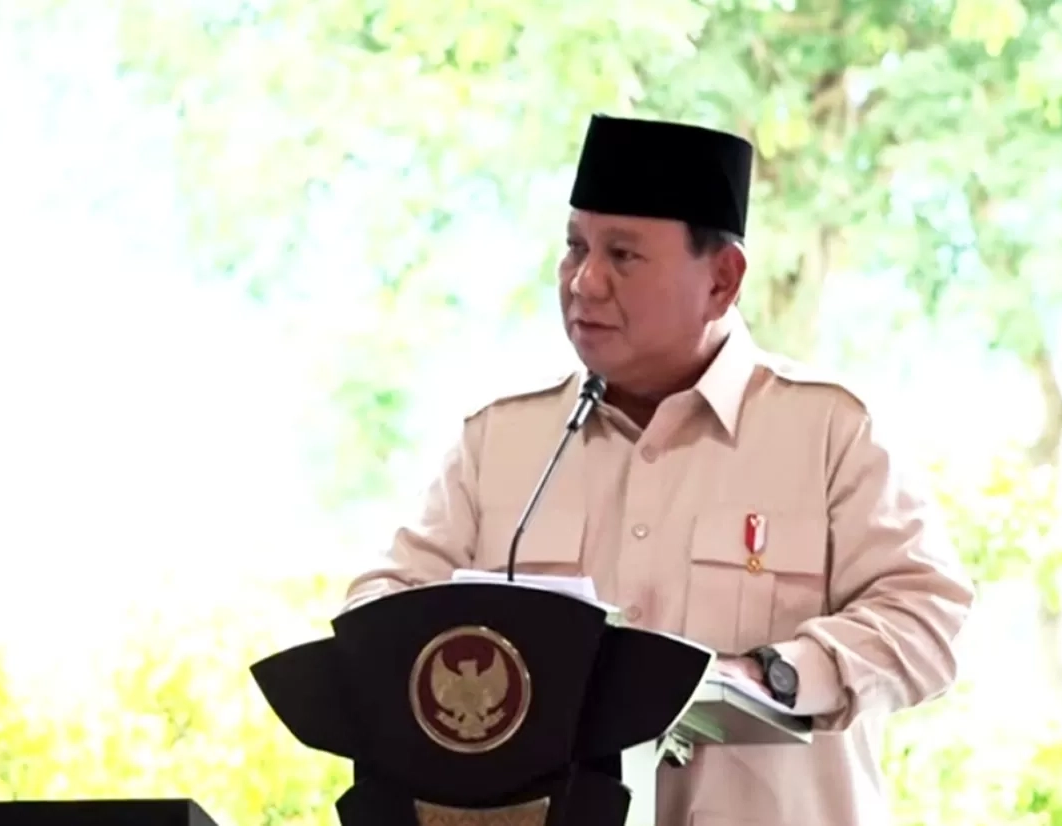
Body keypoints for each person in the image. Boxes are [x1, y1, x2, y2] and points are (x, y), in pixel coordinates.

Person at [344, 114, 976, 826]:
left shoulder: (829, 431)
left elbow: (927, 616)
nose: (585, 281)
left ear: (722, 280)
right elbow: (380, 605)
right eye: (575, 247)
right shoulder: (502, 440)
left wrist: (774, 674)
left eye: (623, 255)